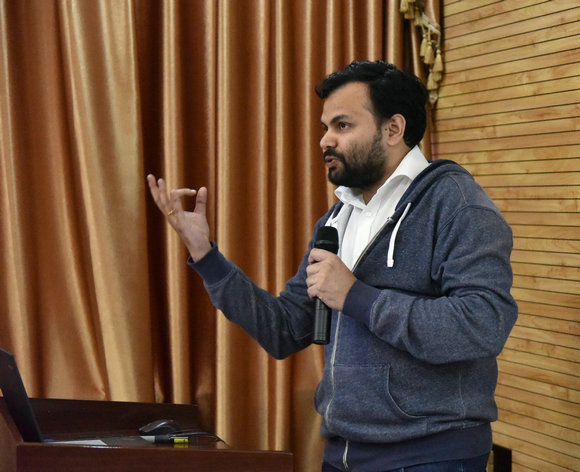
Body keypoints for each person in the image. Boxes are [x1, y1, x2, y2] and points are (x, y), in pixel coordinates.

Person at [147, 60, 518, 472]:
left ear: (393, 129)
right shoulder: (337, 219)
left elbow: (482, 324)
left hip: (431, 456)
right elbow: (285, 329)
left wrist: (357, 296)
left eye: (342, 125)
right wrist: (206, 256)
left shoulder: (458, 206)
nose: (325, 140)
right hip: (343, 454)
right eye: (325, 127)